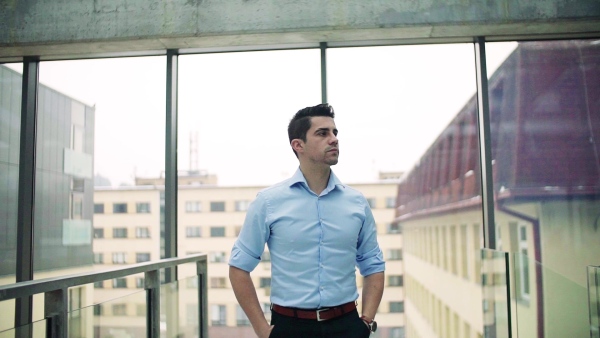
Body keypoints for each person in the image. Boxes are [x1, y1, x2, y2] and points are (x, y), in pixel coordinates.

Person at [228, 103, 385, 338]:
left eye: (334, 132)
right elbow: (239, 268)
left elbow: (373, 263)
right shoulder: (269, 202)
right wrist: (262, 330)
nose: (333, 139)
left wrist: (366, 322)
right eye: (322, 133)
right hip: (289, 327)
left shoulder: (357, 202)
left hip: (347, 326)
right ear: (298, 145)